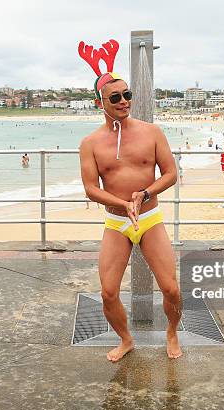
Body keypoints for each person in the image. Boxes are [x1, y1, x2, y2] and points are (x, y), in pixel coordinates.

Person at [78, 38, 182, 361]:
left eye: (127, 95)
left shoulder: (152, 132)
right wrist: (121, 204)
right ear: (100, 102)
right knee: (108, 292)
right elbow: (90, 189)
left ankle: (172, 331)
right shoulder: (90, 143)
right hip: (117, 222)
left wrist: (145, 193)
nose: (124, 101)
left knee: (171, 289)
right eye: (116, 97)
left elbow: (171, 173)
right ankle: (126, 339)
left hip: (149, 218)